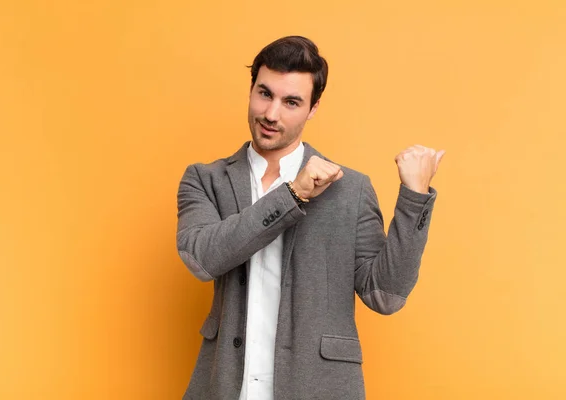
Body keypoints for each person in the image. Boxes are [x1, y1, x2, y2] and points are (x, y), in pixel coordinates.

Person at [176, 36, 444, 400]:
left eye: (291, 102)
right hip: (225, 386)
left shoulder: (351, 189)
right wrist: (293, 194)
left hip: (319, 387)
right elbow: (204, 259)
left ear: (313, 108)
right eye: (264, 94)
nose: (271, 114)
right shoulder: (205, 179)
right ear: (251, 89)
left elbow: (386, 295)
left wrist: (414, 197)